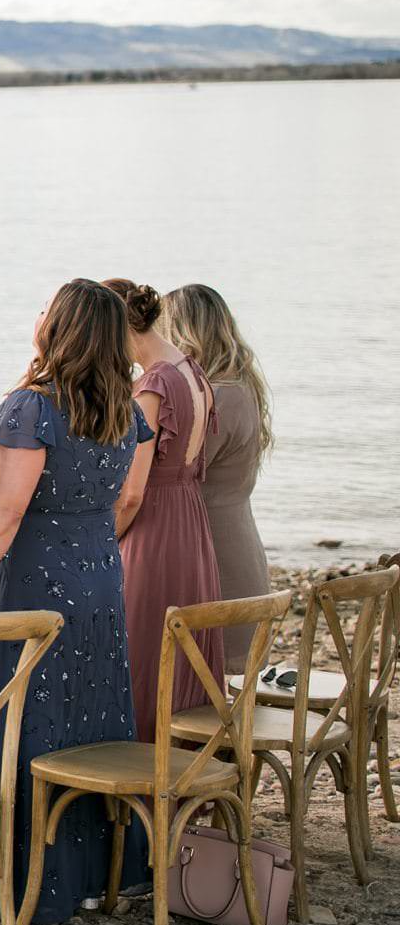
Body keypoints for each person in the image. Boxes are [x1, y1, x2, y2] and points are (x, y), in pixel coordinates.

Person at [0, 280, 153, 924]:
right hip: (99, 577)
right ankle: (90, 876)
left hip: (31, 581)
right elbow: (129, 501)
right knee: (87, 715)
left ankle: (20, 877)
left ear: (57, 330)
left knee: (19, 716)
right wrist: (90, 550)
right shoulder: (126, 414)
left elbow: (6, 511)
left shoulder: (32, 409)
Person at [104, 279, 223, 740]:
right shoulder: (192, 370)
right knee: (185, 648)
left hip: (153, 526)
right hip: (191, 522)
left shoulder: (151, 385)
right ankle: (188, 768)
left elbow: (132, 492)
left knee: (143, 646)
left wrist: (108, 538)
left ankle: (141, 772)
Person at [164, 284, 273, 662]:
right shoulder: (240, 388)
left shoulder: (218, 399)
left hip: (215, 554)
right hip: (236, 540)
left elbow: (171, 474)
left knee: (206, 679)